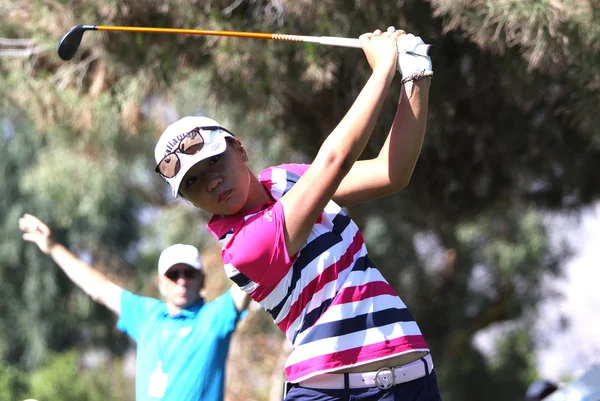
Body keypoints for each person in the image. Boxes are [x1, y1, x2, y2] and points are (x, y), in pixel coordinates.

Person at [153, 25, 439, 401]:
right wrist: (383, 68)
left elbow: (391, 171)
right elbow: (334, 160)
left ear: (238, 148)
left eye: (213, 163)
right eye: (192, 183)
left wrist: (415, 77)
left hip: (411, 381)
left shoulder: (289, 180)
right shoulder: (243, 249)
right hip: (328, 393)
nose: (210, 183)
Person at [18, 213, 250, 401]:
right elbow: (99, 288)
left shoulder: (214, 317)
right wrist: (53, 248)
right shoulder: (147, 314)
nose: (181, 280)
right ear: (160, 283)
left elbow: (251, 275)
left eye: (189, 273)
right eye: (173, 273)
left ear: (202, 280)